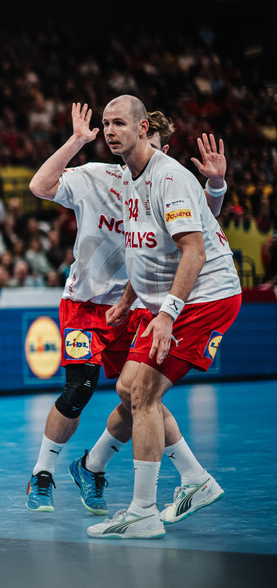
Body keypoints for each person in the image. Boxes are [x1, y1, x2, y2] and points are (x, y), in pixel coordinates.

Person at [25, 103, 229, 515]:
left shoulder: (158, 181)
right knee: (82, 386)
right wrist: (78, 141)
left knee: (136, 395)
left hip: (139, 305)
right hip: (87, 304)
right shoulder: (99, 177)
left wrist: (217, 187)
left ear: (159, 146)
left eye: (152, 146)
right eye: (112, 128)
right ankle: (43, 474)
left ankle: (93, 466)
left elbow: (200, 225)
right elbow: (40, 187)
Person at [84, 95, 241, 539]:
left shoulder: (168, 176)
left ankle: (143, 512)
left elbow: (194, 249)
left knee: (145, 394)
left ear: (142, 127)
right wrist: (130, 297)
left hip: (204, 298)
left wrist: (168, 314)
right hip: (165, 300)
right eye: (105, 124)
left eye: (119, 123)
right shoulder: (130, 178)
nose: (110, 130)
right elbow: (152, 249)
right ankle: (195, 481)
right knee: (129, 387)